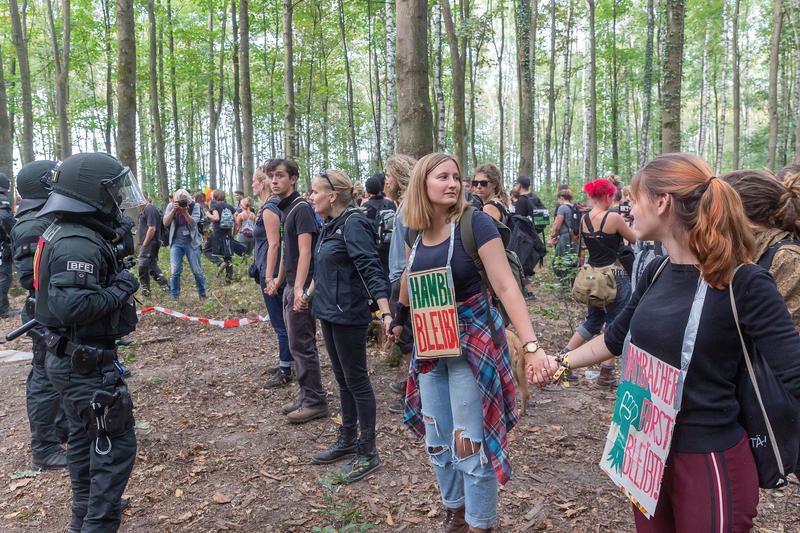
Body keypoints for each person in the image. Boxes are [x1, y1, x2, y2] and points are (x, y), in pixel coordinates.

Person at [531, 153, 800, 532]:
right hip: (646, 451)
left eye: (634, 200)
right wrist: (559, 364)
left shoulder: (744, 282)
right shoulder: (657, 270)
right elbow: (614, 338)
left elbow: (794, 373)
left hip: (708, 459)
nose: (628, 211)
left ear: (662, 202)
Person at [393, 153, 551, 532]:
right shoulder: (414, 231)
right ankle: (455, 513)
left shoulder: (475, 223)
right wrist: (397, 318)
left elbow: (506, 286)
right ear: (421, 184)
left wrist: (530, 345)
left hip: (472, 349)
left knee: (469, 443)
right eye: (442, 177)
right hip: (430, 349)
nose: (453, 184)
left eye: (456, 177)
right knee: (437, 438)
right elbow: (407, 283)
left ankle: (480, 524)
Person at [35, 152, 142, 531]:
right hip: (83, 367)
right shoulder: (77, 241)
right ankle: (97, 523)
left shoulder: (70, 231)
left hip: (76, 361)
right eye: (113, 191)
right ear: (91, 192)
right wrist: (121, 287)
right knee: (113, 452)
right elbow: (72, 305)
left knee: (85, 445)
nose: (118, 199)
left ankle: (82, 521)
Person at [309, 169, 391, 482]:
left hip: (349, 313)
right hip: (328, 313)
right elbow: (326, 267)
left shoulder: (354, 223)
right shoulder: (331, 224)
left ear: (332, 196)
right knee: (342, 380)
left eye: (315, 191)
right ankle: (347, 439)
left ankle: (368, 451)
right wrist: (307, 295)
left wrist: (385, 312)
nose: (312, 196)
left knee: (356, 381)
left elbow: (371, 268)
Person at [10, 160, 68, 469]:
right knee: (45, 377)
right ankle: (44, 448)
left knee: (57, 373)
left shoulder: (46, 216)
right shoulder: (32, 223)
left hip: (56, 309)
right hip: (43, 312)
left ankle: (60, 431)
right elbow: (30, 278)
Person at [264, 159, 328, 423]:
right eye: (270, 176)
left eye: (280, 175)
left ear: (293, 179)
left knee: (302, 344)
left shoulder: (301, 208)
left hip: (300, 285)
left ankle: (315, 400)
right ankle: (305, 394)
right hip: (290, 283)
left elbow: (305, 251)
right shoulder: (286, 208)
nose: (274, 180)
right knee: (294, 342)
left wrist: (300, 288)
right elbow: (286, 249)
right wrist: (278, 279)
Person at [565, 178, 636, 385]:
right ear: (608, 195)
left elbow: (582, 243)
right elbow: (633, 238)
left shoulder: (584, 219)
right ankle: (606, 372)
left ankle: (565, 359)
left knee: (593, 321)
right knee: (614, 323)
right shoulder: (613, 218)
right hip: (615, 277)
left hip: (592, 277)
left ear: (591, 196)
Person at [722, 169, 800, 328]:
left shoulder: (789, 259)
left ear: (739, 216)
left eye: (717, 210)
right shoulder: (750, 251)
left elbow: (780, 339)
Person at [252, 163, 295, 387]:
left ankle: (285, 367)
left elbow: (274, 244)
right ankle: (288, 359)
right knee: (283, 320)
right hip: (273, 269)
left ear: (262, 184)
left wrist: (270, 277)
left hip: (272, 272)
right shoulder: (271, 206)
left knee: (280, 321)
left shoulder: (270, 208)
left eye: (254, 181)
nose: (251, 185)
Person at [385, 154, 417, 413]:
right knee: (407, 335)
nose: (386, 181)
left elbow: (411, 247)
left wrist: (404, 275)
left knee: (407, 335)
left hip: (403, 275)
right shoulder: (404, 203)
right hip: (399, 273)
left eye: (388, 176)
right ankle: (412, 383)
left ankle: (414, 393)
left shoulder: (409, 205)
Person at [163, 189, 207, 299]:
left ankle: (202, 294)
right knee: (175, 271)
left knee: (196, 270)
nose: (182, 203)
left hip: (191, 243)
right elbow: (165, 222)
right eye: (179, 201)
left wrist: (185, 212)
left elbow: (193, 224)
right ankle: (174, 296)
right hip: (176, 243)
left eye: (184, 201)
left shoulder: (194, 206)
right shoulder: (171, 206)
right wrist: (174, 210)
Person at [362, 173, 396, 272]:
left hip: (374, 248)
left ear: (368, 190)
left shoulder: (365, 207)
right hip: (390, 245)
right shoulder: (390, 203)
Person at [137, 194, 168, 296]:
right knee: (151, 266)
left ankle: (147, 290)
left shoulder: (149, 209)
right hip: (148, 243)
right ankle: (164, 286)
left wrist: (145, 244)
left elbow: (152, 228)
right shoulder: (144, 210)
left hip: (150, 243)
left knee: (143, 266)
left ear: (144, 198)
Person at [548, 188, 578, 280]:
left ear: (561, 197)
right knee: (573, 261)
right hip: (575, 237)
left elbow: (557, 225)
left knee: (558, 262)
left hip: (565, 237)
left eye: (558, 199)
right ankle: (573, 285)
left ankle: (563, 284)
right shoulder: (575, 207)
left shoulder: (562, 208)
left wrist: (553, 236)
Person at [208, 189, 236, 283]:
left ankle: (219, 263)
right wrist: (234, 233)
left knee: (206, 249)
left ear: (215, 197)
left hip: (217, 233)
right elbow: (236, 220)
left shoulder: (215, 206)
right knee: (228, 256)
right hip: (228, 234)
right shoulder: (230, 207)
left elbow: (216, 218)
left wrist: (208, 214)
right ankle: (229, 278)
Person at [0, 172, 16, 317]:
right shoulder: (2, 200)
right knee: (4, 276)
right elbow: (5, 218)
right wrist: (14, 231)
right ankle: (3, 309)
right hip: (2, 246)